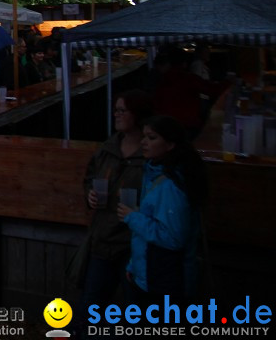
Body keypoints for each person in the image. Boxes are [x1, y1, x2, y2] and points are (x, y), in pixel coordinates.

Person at [76, 90, 152, 317]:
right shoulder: (107, 149)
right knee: (90, 309)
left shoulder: (149, 155)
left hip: (133, 246)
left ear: (137, 115)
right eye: (115, 110)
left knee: (135, 311)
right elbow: (90, 178)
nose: (116, 115)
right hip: (103, 241)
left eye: (122, 111)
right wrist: (89, 194)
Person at [118, 115, 207, 305]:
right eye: (144, 137)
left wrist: (132, 217)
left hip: (164, 279)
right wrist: (135, 267)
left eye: (151, 138)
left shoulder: (171, 186)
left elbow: (173, 238)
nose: (143, 142)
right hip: (149, 273)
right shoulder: (155, 172)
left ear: (170, 144)